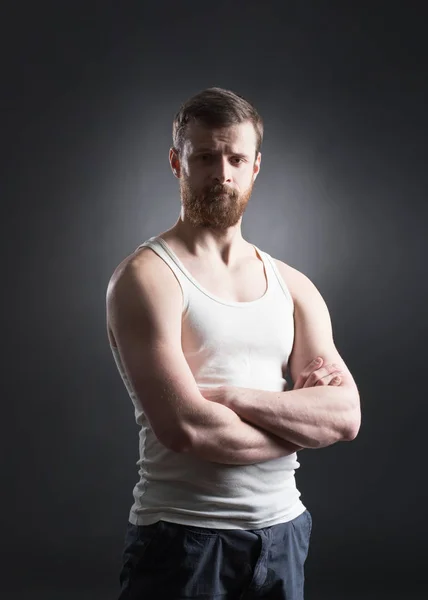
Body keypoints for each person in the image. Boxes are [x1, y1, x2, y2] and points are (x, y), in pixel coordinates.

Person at [106, 86, 361, 600]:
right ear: (178, 161)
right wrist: (300, 423)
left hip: (284, 533)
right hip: (183, 539)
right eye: (205, 157)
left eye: (236, 158)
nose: (221, 173)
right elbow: (186, 430)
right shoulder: (147, 278)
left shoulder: (293, 285)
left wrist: (233, 399)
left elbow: (345, 417)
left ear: (255, 167)